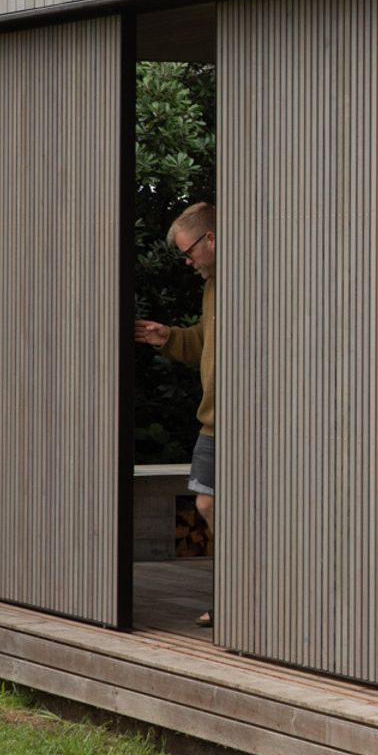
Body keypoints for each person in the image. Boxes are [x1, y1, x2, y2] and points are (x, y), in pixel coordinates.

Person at [134, 201, 217, 627]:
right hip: (213, 422)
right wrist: (167, 338)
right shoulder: (211, 288)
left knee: (214, 505)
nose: (187, 261)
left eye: (189, 252)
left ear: (212, 239)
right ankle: (233, 591)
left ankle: (237, 595)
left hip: (245, 422)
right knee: (206, 503)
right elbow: (204, 341)